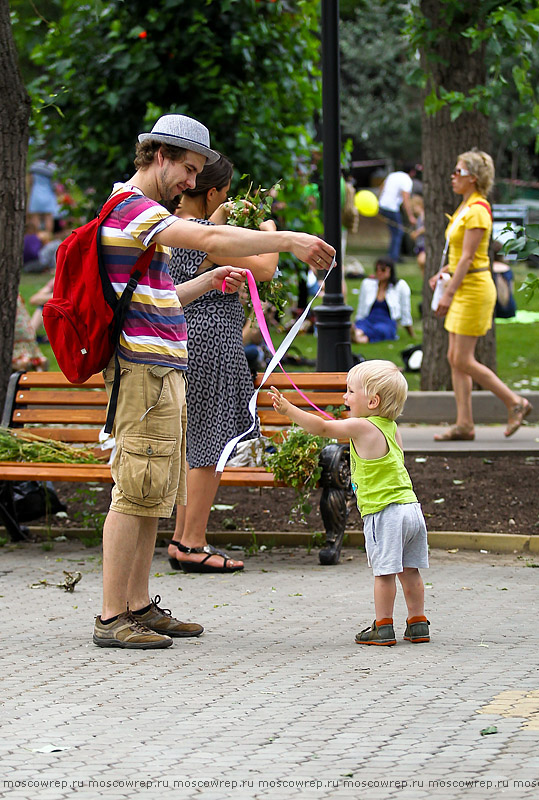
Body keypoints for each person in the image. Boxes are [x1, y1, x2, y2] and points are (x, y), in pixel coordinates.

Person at [92, 113, 335, 650]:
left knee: (154, 491)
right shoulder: (132, 208)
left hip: (161, 365)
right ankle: (113, 617)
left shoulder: (142, 212)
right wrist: (290, 239)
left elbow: (158, 300)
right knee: (133, 493)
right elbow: (207, 233)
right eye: (187, 169)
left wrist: (204, 281)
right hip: (143, 370)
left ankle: (137, 604)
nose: (191, 183)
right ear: (160, 156)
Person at [166, 154, 278, 573]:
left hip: (182, 339)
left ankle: (181, 539)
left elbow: (209, 231)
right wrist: (268, 227)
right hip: (213, 339)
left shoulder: (173, 227)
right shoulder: (207, 233)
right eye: (224, 192)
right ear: (211, 193)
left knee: (194, 441)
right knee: (211, 443)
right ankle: (194, 542)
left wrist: (225, 213)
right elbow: (266, 266)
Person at [268, 360, 430, 647]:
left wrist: (288, 410)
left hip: (386, 512)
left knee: (384, 573)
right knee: (410, 570)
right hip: (411, 509)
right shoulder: (391, 428)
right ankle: (417, 622)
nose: (345, 397)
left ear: (372, 400)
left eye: (350, 391)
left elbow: (322, 428)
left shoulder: (362, 426)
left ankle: (383, 626)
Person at [428, 149, 531, 441]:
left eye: (458, 172)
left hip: (472, 289)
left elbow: (469, 258)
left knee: (463, 359)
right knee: (453, 357)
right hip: (462, 285)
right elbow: (458, 256)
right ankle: (464, 424)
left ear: (473, 178)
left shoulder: (478, 210)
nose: (453, 176)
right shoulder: (465, 207)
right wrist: (443, 274)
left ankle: (515, 402)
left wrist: (447, 293)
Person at [352, 257, 414, 344]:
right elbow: (361, 308)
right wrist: (358, 320)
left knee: (380, 330)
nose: (379, 272)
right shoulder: (368, 284)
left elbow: (405, 311)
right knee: (361, 326)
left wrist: (411, 334)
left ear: (390, 271)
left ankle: (359, 338)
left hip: (386, 321)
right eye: (377, 270)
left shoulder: (400, 286)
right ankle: (357, 334)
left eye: (383, 270)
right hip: (369, 318)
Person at [378, 164, 417, 263]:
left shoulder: (393, 175)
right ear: (412, 172)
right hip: (391, 207)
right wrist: (411, 216)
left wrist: (379, 201)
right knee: (398, 232)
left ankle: (393, 254)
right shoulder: (407, 180)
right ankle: (393, 257)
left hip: (382, 205)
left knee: (395, 232)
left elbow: (381, 187)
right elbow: (405, 199)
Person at [27, 159, 59, 234]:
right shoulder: (52, 168)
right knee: (48, 217)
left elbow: (30, 182)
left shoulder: (34, 167)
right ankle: (48, 236)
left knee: (35, 216)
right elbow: (55, 185)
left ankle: (37, 235)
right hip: (49, 195)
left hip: (36, 195)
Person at [492, 240, 517, 319]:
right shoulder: (507, 269)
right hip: (509, 310)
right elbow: (512, 290)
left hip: (492, 311)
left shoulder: (487, 269)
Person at [409, 194, 425, 274]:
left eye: (414, 207)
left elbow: (426, 227)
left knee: (421, 261)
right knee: (420, 265)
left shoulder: (424, 216)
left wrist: (417, 233)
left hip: (424, 244)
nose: (413, 210)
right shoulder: (418, 218)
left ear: (420, 205)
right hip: (419, 244)